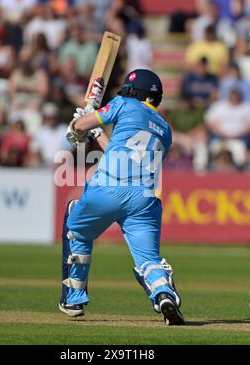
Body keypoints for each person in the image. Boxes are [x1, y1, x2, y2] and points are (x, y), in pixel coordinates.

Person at [59, 69, 185, 326]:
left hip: (106, 189)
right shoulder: (165, 129)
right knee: (148, 259)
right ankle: (163, 294)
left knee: (77, 226)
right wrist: (96, 133)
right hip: (145, 199)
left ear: (130, 91)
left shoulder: (124, 103)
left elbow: (78, 129)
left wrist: (80, 123)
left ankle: (73, 298)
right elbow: (121, 150)